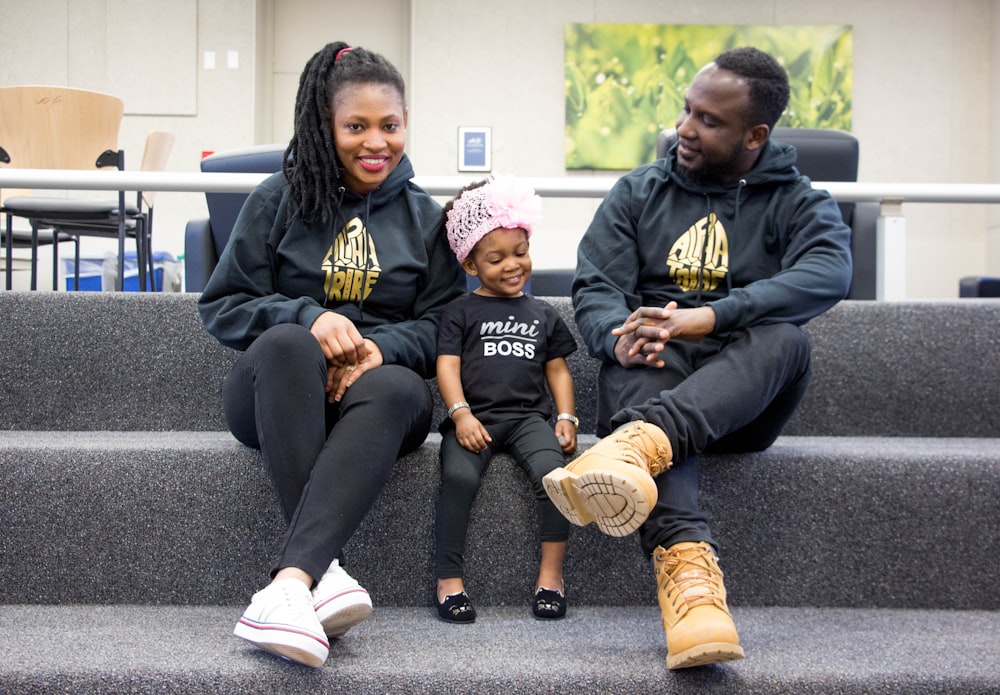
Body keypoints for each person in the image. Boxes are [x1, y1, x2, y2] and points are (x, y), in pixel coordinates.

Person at [543, 46, 853, 669]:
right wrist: (615, 333)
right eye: (687, 111)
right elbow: (597, 284)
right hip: (659, 371)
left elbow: (829, 271)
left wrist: (710, 317)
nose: (685, 128)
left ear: (754, 135)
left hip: (744, 402)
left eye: (709, 120)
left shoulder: (797, 201)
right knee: (633, 362)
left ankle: (640, 440)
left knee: (786, 338)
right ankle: (692, 587)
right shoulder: (638, 191)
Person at [198, 42, 466, 668]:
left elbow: (443, 323)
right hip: (277, 391)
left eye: (390, 125)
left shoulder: (425, 218)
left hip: (371, 405)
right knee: (291, 342)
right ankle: (318, 573)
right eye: (356, 126)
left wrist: (380, 346)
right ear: (326, 126)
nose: (376, 142)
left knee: (403, 387)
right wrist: (309, 318)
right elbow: (224, 304)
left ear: (406, 125)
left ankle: (295, 583)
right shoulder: (278, 198)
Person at [434, 176, 579, 623]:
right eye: (495, 259)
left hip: (527, 419)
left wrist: (567, 416)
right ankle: (448, 581)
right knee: (458, 478)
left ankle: (550, 580)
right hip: (474, 418)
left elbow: (557, 368)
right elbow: (447, 366)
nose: (513, 265)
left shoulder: (543, 314)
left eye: (521, 253)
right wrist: (460, 415)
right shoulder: (460, 311)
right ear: (472, 265)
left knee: (555, 478)